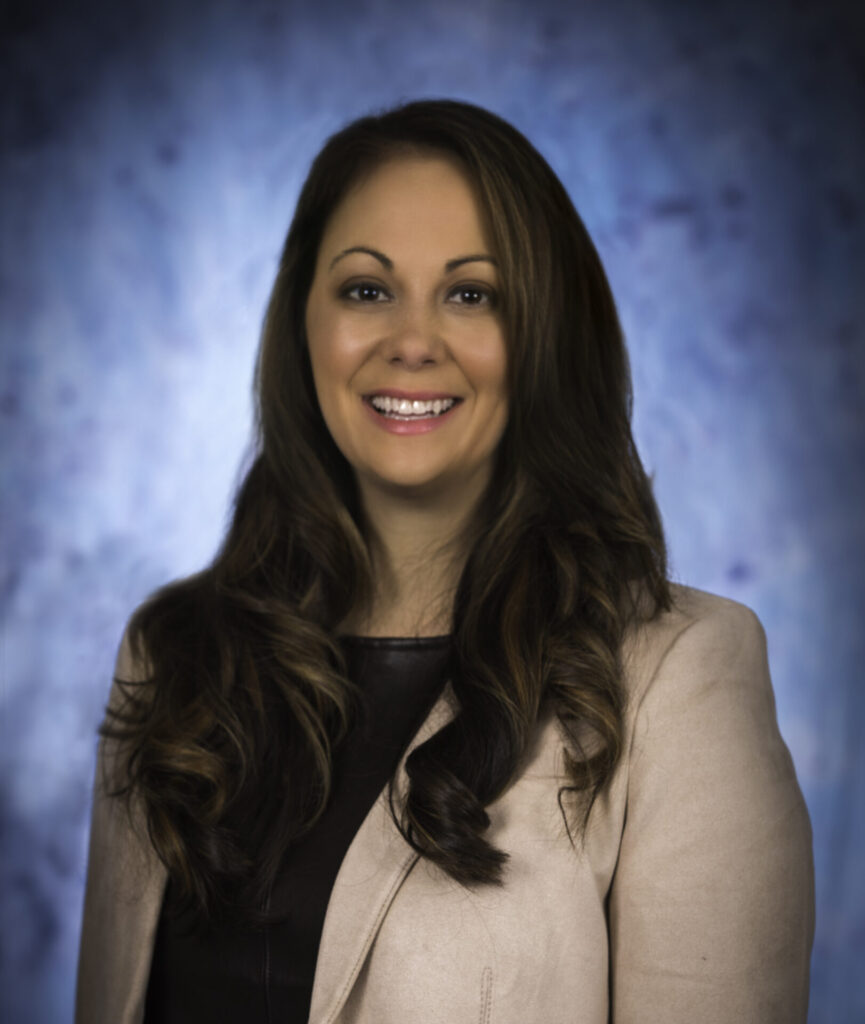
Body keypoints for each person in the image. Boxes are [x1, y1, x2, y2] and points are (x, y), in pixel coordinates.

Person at [75, 99, 814, 1024]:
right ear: (303, 322)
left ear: (544, 335)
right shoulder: (171, 658)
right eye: (366, 289)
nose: (411, 341)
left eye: (471, 294)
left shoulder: (679, 677)